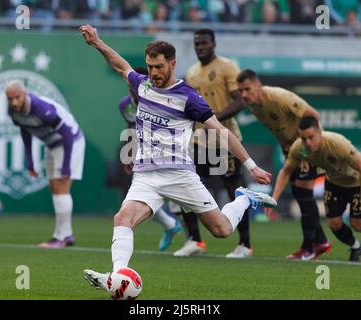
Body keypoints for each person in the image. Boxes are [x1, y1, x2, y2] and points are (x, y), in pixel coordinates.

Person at [78, 24, 277, 294]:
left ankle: (244, 198)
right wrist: (97, 43)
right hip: (147, 176)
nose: (154, 73)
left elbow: (222, 132)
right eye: (149, 67)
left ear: (172, 63)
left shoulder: (189, 98)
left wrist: (251, 166)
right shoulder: (143, 85)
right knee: (122, 219)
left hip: (180, 175)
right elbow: (120, 65)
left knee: (221, 230)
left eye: (159, 67)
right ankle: (117, 278)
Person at [218, 69, 331, 260]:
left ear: (258, 85)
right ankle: (319, 242)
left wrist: (310, 147)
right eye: (241, 91)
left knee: (303, 192)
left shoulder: (279, 97)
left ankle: (310, 246)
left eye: (247, 89)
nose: (244, 95)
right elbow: (278, 128)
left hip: (306, 148)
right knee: (300, 192)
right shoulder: (254, 106)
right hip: (292, 150)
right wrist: (287, 149)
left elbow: (313, 115)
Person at [266, 116, 361, 262]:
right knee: (334, 223)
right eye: (303, 138)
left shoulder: (337, 143)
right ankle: (355, 246)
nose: (307, 143)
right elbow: (285, 171)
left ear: (319, 131)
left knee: (358, 225)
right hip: (333, 183)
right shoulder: (299, 148)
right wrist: (273, 199)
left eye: (311, 137)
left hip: (354, 183)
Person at [176, 28, 252, 259]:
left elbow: (241, 100)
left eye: (204, 43)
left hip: (226, 141)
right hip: (199, 141)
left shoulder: (227, 67)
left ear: (214, 44)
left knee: (233, 191)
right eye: (197, 43)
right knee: (185, 187)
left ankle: (245, 245)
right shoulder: (191, 73)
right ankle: (195, 240)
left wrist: (214, 118)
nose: (200, 47)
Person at [5, 80, 85, 249]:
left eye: (17, 97)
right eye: (10, 98)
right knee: (54, 188)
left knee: (61, 186)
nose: (14, 102)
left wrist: (66, 166)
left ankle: (60, 237)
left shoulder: (40, 108)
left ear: (24, 93)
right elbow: (25, 130)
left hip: (71, 141)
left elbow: (67, 133)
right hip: (52, 144)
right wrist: (30, 161)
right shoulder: (12, 111)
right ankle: (66, 234)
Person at [118, 66, 183, 252]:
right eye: (129, 83)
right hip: (144, 153)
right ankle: (171, 225)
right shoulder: (125, 104)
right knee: (139, 199)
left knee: (180, 199)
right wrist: (128, 154)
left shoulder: (163, 99)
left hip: (171, 153)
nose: (133, 87)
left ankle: (192, 238)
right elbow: (130, 127)